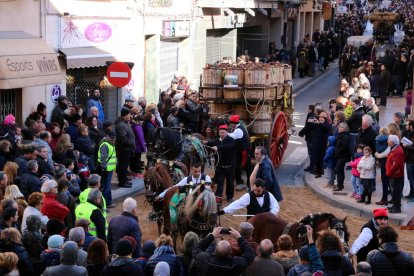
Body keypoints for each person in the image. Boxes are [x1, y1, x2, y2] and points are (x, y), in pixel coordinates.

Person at [206, 125, 236, 202]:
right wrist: (204, 142)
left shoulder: (231, 140)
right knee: (220, 182)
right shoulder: (216, 141)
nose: (221, 134)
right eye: (220, 132)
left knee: (230, 182)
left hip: (230, 166)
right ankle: (218, 198)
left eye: (223, 132)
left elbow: (227, 147)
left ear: (227, 132)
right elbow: (209, 143)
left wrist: (218, 148)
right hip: (220, 167)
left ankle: (229, 197)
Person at [228, 115, 252, 191]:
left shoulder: (238, 130)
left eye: (231, 123)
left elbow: (232, 137)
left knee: (248, 168)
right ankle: (240, 182)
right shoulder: (238, 127)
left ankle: (249, 183)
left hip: (244, 151)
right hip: (239, 151)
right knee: (235, 166)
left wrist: (224, 133)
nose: (230, 125)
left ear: (234, 123)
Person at [115, 107, 135, 188]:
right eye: (129, 114)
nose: (130, 116)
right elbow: (123, 139)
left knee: (125, 166)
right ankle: (122, 182)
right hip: (124, 149)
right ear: (125, 115)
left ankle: (124, 179)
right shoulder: (121, 125)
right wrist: (131, 142)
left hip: (128, 149)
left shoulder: (125, 123)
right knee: (122, 166)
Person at [386, 134, 405, 213]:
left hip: (395, 174)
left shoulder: (397, 150)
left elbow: (397, 164)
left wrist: (390, 171)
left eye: (388, 140)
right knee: (394, 191)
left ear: (392, 142)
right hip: (393, 174)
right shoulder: (395, 148)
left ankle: (397, 208)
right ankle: (395, 205)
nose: (387, 141)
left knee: (396, 191)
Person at [98, 130, 117, 208]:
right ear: (108, 136)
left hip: (109, 168)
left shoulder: (110, 143)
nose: (113, 140)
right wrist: (104, 168)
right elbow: (103, 158)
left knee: (107, 187)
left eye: (114, 139)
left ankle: (108, 203)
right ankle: (106, 204)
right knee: (106, 187)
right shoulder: (105, 144)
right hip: (106, 169)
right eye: (111, 138)